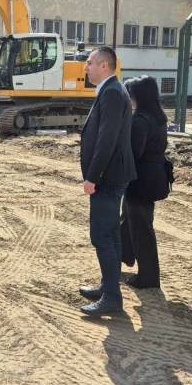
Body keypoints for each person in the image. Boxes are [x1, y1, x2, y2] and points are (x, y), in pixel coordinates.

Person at [78, 46, 136, 317]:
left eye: (89, 62)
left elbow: (107, 139)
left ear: (104, 65)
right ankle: (108, 286)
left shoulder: (112, 92)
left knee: (102, 235)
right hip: (112, 175)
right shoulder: (111, 90)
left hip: (108, 178)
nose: (85, 67)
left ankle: (112, 297)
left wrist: (92, 177)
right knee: (111, 234)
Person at [121, 76, 170, 289]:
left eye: (130, 95)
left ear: (138, 96)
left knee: (141, 228)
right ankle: (124, 255)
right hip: (154, 177)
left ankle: (148, 277)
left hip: (140, 181)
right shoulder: (158, 118)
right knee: (131, 219)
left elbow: (133, 154)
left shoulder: (140, 121)